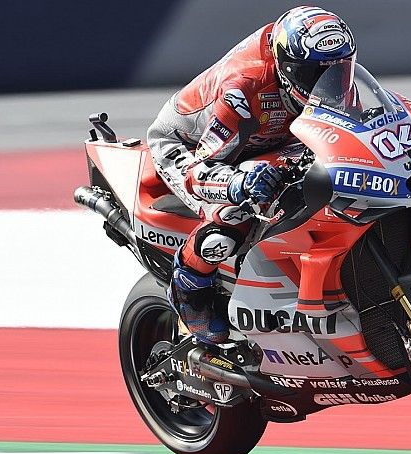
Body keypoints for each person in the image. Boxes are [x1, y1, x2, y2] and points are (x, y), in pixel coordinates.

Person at [147, 6, 357, 344]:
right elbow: (200, 171)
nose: (328, 81)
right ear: (287, 67)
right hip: (191, 148)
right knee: (231, 218)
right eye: (315, 74)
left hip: (272, 142)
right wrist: (238, 183)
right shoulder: (244, 88)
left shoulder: (331, 70)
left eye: (338, 69)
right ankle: (189, 293)